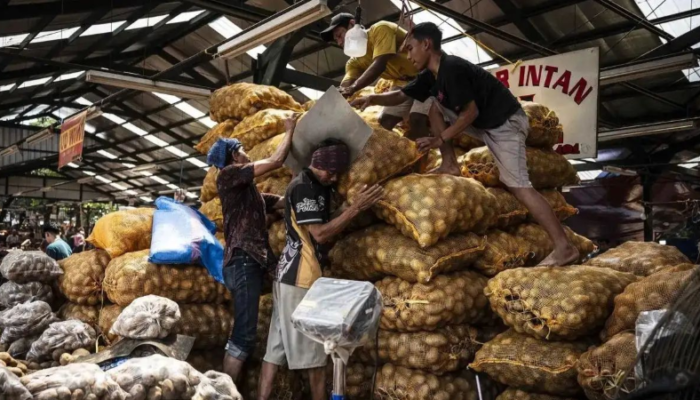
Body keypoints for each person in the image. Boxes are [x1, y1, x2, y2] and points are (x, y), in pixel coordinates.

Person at [351, 22, 578, 266]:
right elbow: (402, 95)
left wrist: (439, 139)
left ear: (426, 44)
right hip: (487, 125)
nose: (407, 56)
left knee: (519, 186)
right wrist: (372, 97)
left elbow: (469, 113)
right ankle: (450, 164)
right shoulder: (431, 76)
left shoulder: (452, 69)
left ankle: (564, 247)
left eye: (410, 48)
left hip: (505, 125)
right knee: (432, 105)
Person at [258, 139, 384, 400]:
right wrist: (356, 208)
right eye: (331, 171)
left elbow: (324, 220)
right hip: (300, 277)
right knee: (315, 352)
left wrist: (346, 206)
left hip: (287, 276)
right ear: (318, 165)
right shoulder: (304, 188)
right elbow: (321, 233)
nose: (334, 177)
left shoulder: (314, 185)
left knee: (276, 347)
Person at [207, 115, 298, 382]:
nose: (247, 153)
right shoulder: (228, 175)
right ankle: (224, 391)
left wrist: (298, 178)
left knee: (248, 329)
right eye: (242, 149)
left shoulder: (250, 193)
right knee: (244, 333)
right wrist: (289, 131)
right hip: (243, 262)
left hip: (254, 263)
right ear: (235, 156)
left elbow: (283, 201)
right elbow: (275, 161)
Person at [321, 13, 429, 139]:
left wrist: (352, 89)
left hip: (426, 76)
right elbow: (347, 83)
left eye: (340, 35)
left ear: (352, 24)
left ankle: (424, 153)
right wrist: (335, 101)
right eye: (336, 39)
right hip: (402, 83)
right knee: (385, 122)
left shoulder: (380, 29)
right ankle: (398, 153)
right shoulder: (354, 61)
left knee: (417, 119)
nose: (339, 42)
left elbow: (380, 64)